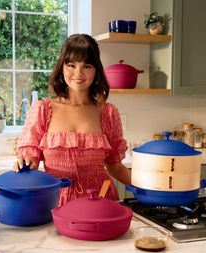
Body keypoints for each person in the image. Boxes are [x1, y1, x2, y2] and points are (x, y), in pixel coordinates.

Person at [14, 34, 131, 206]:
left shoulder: (108, 112)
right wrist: (25, 162)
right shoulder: (42, 110)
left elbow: (115, 166)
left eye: (87, 66)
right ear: (62, 67)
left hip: (100, 202)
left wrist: (154, 185)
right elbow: (31, 157)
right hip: (55, 203)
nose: (78, 73)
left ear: (96, 70)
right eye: (71, 65)